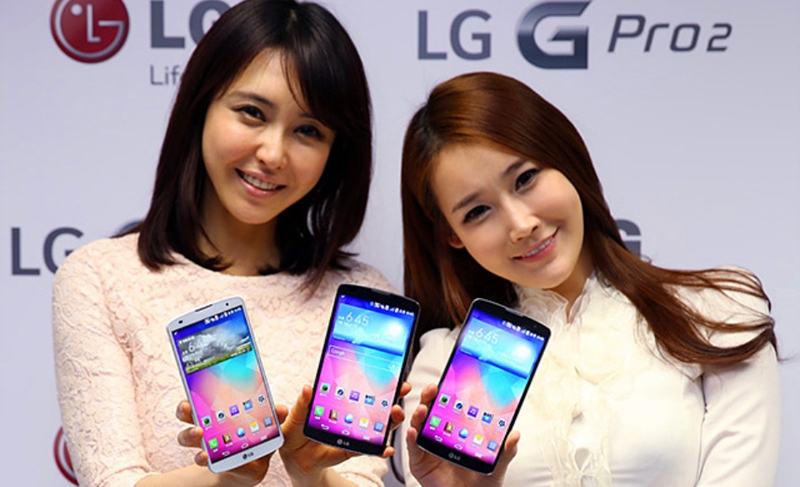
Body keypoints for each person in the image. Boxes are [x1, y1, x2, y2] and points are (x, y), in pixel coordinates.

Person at [52, 1, 404, 486]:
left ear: (335, 152)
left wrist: (311, 475)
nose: (273, 154)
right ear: (201, 105)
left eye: (308, 131)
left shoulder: (366, 301)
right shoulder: (101, 278)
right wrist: (228, 477)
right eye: (252, 113)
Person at [398, 72, 780, 487]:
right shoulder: (440, 366)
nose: (521, 225)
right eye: (477, 212)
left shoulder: (718, 313)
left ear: (565, 159)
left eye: (525, 179)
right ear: (453, 236)